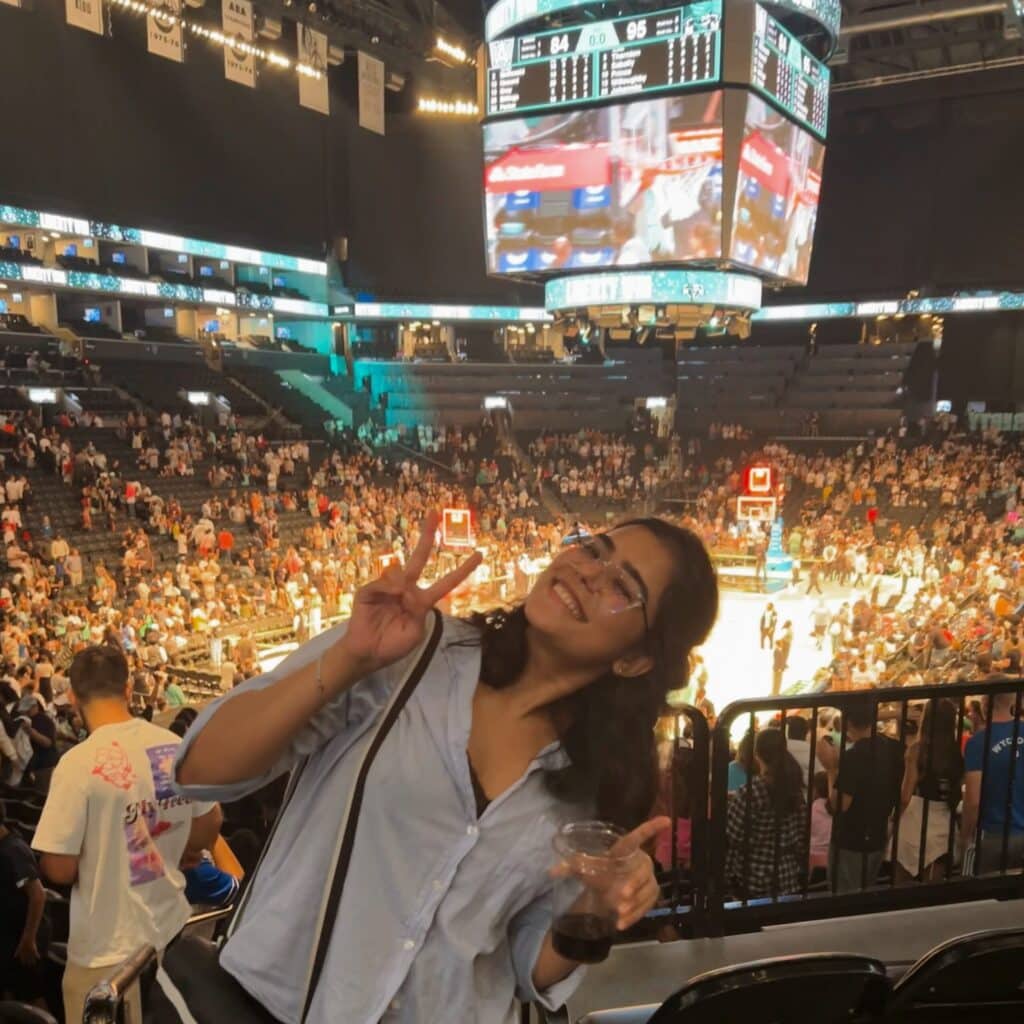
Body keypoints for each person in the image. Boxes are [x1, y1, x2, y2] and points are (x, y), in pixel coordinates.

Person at [173, 513, 719, 1023]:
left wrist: (596, 909)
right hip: (280, 1006)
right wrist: (347, 659)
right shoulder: (407, 650)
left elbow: (527, 964)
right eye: (594, 549)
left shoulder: (596, 780)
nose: (587, 572)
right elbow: (203, 770)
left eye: (623, 588)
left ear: (636, 659)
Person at [32, 645, 223, 1024]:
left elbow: (59, 869)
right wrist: (181, 845)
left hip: (106, 954)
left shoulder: (76, 764)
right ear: (126, 689)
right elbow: (211, 822)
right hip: (169, 934)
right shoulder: (173, 745)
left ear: (72, 697)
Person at [817, 701, 904, 893]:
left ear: (847, 723)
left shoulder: (854, 757)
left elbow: (838, 806)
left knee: (845, 900)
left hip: (852, 842)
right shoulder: (891, 748)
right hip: (878, 836)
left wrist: (831, 769)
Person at [725, 729, 805, 899]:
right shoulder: (794, 785)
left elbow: (733, 834)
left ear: (757, 754)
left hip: (753, 877)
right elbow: (801, 829)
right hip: (788, 875)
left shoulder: (752, 790)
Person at [896, 699, 963, 882]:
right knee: (932, 885)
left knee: (902, 883)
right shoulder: (956, 752)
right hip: (943, 819)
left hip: (916, 818)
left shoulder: (918, 750)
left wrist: (892, 820)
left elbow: (905, 796)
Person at [962, 690, 1024, 873]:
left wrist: (964, 837)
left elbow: (973, 800)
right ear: (1012, 702)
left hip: (994, 835)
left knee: (985, 896)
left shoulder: (978, 742)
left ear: (984, 705)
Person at [0, 799, 49, 1008]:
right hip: (8, 933)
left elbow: (38, 895)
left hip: (25, 935)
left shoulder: (14, 850)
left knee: (31, 991)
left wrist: (29, 939)